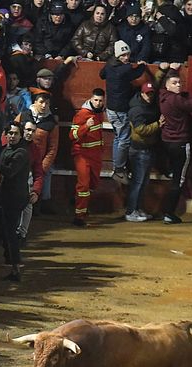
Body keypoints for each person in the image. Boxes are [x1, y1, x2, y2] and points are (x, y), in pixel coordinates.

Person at [0, 122, 30, 281]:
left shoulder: (21, 153)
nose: (12, 135)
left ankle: (15, 267)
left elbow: (9, 172)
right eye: (10, 133)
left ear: (21, 135)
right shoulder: (9, 149)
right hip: (8, 195)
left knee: (10, 232)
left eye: (15, 133)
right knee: (2, 227)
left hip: (14, 198)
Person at [158, 63, 192, 224]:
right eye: (175, 83)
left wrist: (173, 71)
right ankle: (169, 212)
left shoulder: (162, 95)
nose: (178, 85)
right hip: (180, 142)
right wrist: (186, 95)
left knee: (174, 176)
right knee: (179, 179)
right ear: (168, 85)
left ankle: (167, 211)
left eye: (179, 83)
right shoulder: (178, 99)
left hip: (167, 140)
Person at [100, 40, 146, 185]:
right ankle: (119, 169)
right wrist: (143, 64)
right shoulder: (125, 69)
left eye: (127, 55)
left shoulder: (109, 66)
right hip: (120, 109)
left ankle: (117, 166)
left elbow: (101, 74)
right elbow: (137, 72)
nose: (126, 58)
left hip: (111, 108)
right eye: (124, 55)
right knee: (124, 139)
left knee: (118, 138)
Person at [68, 88, 106, 227]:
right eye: (95, 100)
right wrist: (85, 126)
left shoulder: (100, 112)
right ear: (90, 99)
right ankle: (79, 217)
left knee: (93, 184)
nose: (98, 103)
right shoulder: (82, 114)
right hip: (82, 154)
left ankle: (78, 202)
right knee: (83, 185)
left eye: (100, 101)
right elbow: (72, 136)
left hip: (95, 155)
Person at [126, 82, 161, 222]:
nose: (150, 96)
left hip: (145, 148)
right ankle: (131, 211)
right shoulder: (136, 110)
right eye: (147, 93)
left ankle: (137, 209)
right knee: (138, 182)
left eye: (151, 93)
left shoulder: (145, 107)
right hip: (139, 149)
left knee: (142, 182)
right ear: (142, 94)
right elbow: (141, 130)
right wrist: (158, 124)